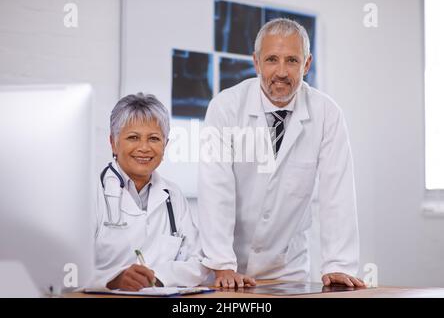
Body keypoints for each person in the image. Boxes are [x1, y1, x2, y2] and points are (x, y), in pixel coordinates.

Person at [198, 18, 364, 288]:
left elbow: (338, 192)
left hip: (288, 272)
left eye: (292, 61)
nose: (282, 72)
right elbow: (215, 187)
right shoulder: (225, 107)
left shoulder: (327, 113)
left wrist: (338, 264)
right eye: (272, 59)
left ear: (307, 64)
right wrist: (221, 263)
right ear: (256, 62)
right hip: (229, 271)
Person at [92, 93, 209, 290]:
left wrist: (158, 277)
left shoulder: (173, 195)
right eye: (133, 137)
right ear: (113, 142)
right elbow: (66, 267)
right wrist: (113, 280)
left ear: (165, 145)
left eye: (154, 138)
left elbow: (199, 261)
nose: (144, 148)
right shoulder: (91, 192)